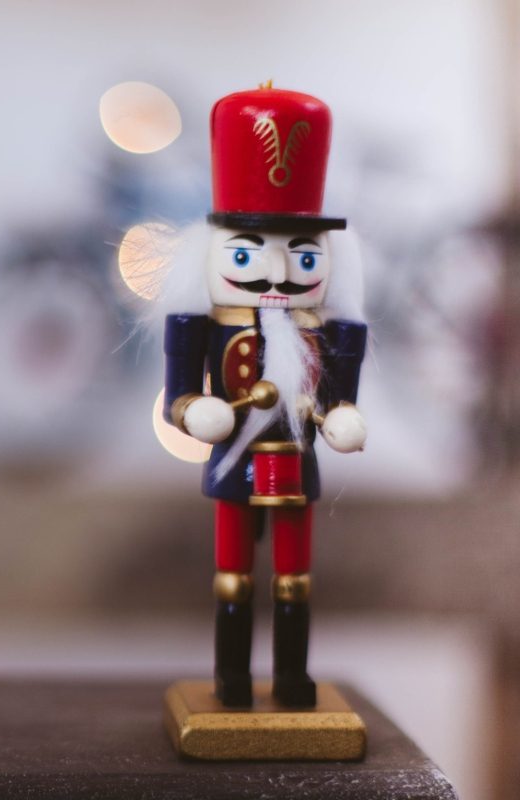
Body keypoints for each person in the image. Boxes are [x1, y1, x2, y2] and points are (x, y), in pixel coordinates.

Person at [161, 84, 367, 708]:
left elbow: (339, 400)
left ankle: (291, 678)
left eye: (301, 257)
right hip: (233, 461)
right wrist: (195, 410)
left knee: (295, 578)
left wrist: (339, 416)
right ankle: (230, 678)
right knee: (232, 577)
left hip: (295, 461)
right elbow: (179, 395)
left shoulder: (334, 330)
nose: (276, 275)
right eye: (248, 252)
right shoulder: (199, 324)